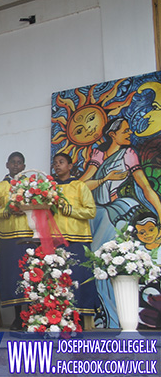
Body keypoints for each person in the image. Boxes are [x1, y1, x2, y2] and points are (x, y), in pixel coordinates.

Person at [79, 117, 161, 327]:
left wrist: (159, 212)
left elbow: (145, 187)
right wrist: (105, 178)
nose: (129, 133)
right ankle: (104, 315)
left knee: (107, 264)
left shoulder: (128, 154)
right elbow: (81, 185)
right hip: (95, 214)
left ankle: (117, 319)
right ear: (112, 134)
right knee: (95, 265)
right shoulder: (98, 153)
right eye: (125, 130)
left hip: (115, 213)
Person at [52, 153, 98, 328]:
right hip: (56, 241)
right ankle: (59, 320)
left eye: (61, 162)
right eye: (55, 163)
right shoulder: (50, 188)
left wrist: (70, 210)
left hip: (78, 239)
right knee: (58, 280)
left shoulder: (79, 186)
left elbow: (90, 211)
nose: (57, 166)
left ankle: (83, 322)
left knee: (79, 279)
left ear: (70, 166)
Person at [0, 151, 33, 330]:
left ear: (24, 166)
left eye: (19, 163)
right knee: (13, 277)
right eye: (13, 162)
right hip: (9, 237)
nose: (16, 165)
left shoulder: (32, 185)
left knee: (31, 275)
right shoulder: (1, 187)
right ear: (7, 165)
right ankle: (18, 317)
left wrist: (27, 208)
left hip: (29, 236)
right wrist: (8, 211)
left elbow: (40, 205)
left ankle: (31, 314)